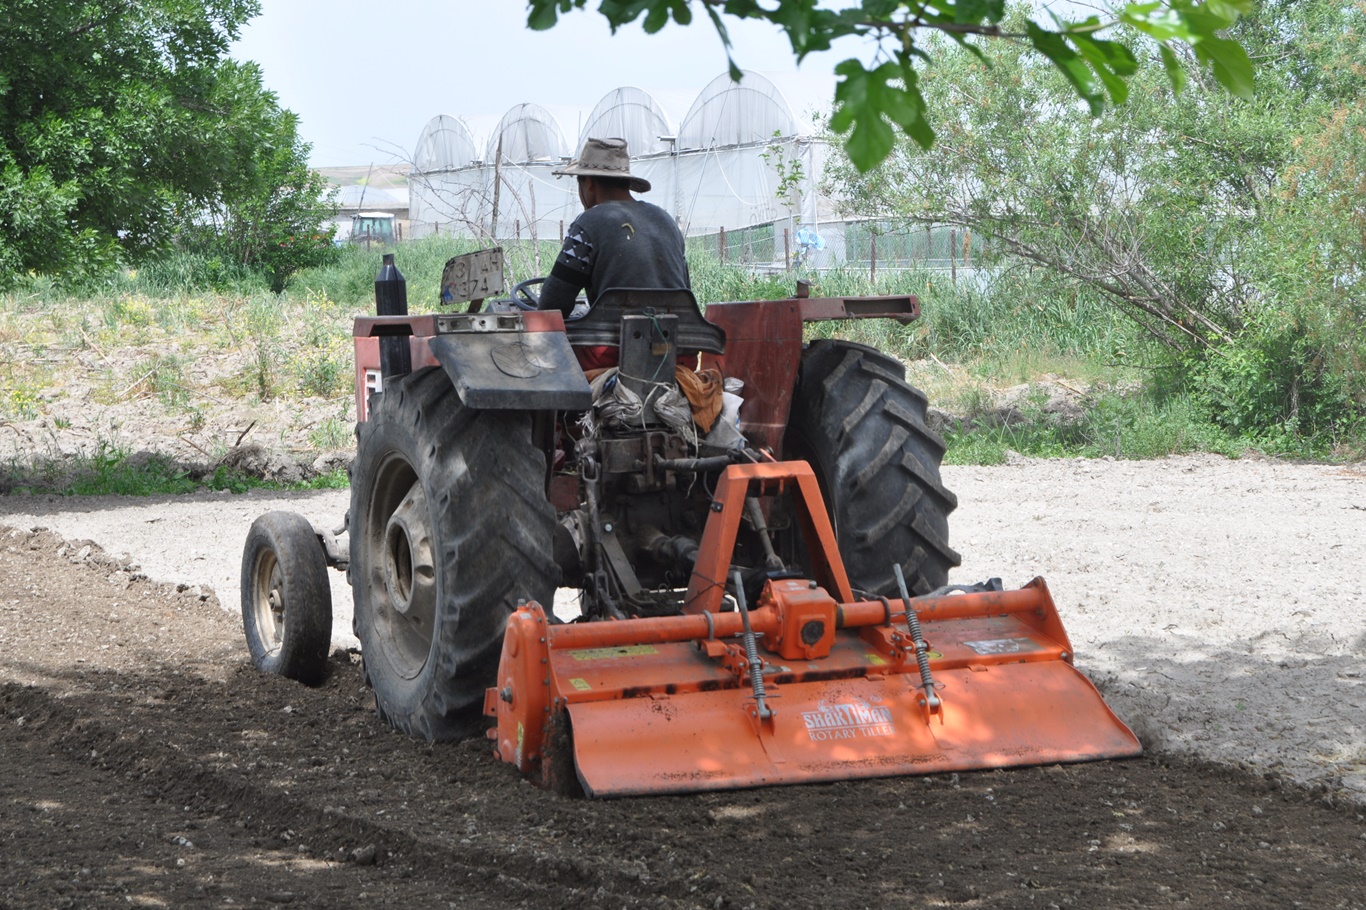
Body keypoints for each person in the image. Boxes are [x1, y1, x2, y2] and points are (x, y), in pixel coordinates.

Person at [538, 137, 689, 316]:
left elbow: (552, 304)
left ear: (589, 183)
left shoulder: (587, 224)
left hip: (615, 340)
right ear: (626, 182)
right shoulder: (666, 221)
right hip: (678, 336)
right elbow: (684, 288)